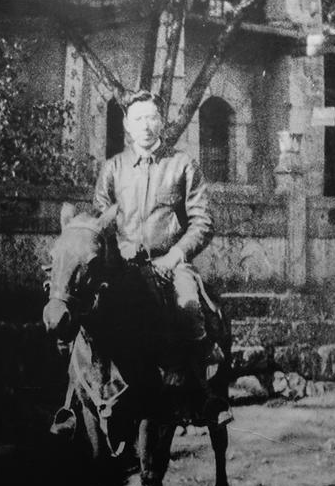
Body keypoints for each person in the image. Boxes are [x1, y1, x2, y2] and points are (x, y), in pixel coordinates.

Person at [94, 90, 232, 426]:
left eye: (152, 117)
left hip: (170, 263)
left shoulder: (182, 165)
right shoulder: (113, 168)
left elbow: (202, 222)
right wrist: (118, 248)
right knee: (90, 315)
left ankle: (202, 394)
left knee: (189, 307)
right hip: (123, 267)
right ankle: (86, 395)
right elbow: (100, 219)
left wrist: (175, 255)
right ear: (127, 125)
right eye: (138, 118)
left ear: (162, 122)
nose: (145, 125)